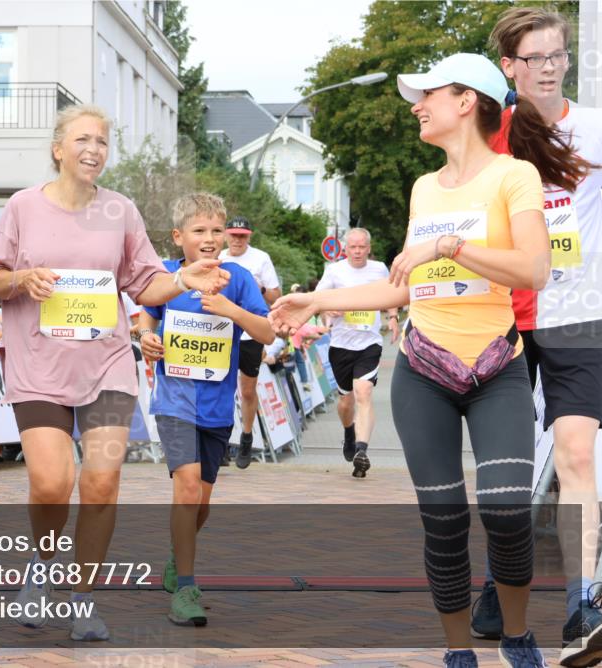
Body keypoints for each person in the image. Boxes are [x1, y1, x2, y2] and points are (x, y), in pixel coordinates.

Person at [271, 53, 559, 667]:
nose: (415, 104)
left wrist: (450, 245)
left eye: (428, 93)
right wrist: (317, 299)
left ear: (467, 102)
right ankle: (458, 651)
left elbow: (535, 268)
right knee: (444, 518)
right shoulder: (424, 187)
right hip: (424, 370)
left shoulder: (515, 177)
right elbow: (404, 284)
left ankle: (515, 635)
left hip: (495, 367)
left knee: (508, 509)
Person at [0, 103, 229, 641]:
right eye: (83, 140)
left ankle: (84, 599)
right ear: (58, 149)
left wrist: (184, 277)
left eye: (102, 142)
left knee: (101, 481)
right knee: (52, 483)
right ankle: (42, 568)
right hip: (39, 363)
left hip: (109, 364)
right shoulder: (23, 207)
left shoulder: (121, 210)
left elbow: (146, 286)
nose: (94, 149)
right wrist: (23, 278)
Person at [469, 9, 602, 665]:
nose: (550, 67)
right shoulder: (494, 139)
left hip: (581, 318)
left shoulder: (596, 129)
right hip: (510, 320)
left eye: (558, 55)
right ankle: (499, 578)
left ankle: (584, 604)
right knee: (511, 471)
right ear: (510, 68)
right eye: (537, 58)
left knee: (577, 454)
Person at [137, 192, 273, 627]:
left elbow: (267, 332)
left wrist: (231, 309)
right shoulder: (168, 278)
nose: (210, 239)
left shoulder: (239, 278)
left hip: (217, 407)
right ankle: (187, 587)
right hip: (175, 401)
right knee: (188, 488)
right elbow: (146, 314)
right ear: (180, 237)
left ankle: (179, 556)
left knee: (204, 504)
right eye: (199, 231)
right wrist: (147, 338)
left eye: (217, 230)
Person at [314, 227, 399, 478]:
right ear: (345, 248)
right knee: (345, 402)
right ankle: (349, 431)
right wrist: (328, 311)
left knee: (364, 392)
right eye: (353, 247)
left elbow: (392, 293)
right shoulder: (334, 271)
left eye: (362, 246)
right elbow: (318, 298)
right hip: (341, 345)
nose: (358, 251)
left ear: (369, 248)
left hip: (369, 343)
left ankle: (362, 450)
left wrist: (393, 316)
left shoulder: (379, 269)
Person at [218, 216, 280, 468]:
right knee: (222, 387)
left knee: (246, 390)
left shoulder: (260, 258)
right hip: (221, 331)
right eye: (233, 235)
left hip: (250, 333)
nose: (237, 240)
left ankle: (246, 436)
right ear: (225, 235)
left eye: (242, 235)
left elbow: (276, 296)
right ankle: (220, 442)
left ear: (249, 236)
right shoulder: (218, 258)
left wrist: (259, 289)